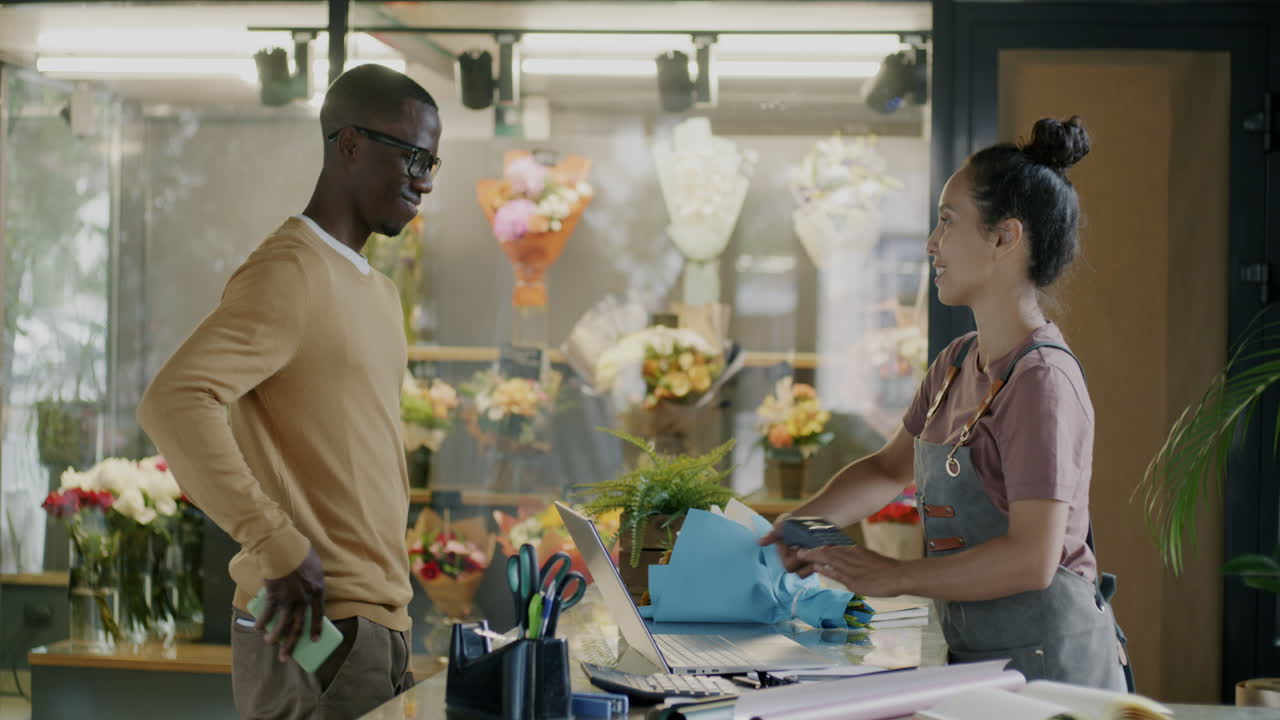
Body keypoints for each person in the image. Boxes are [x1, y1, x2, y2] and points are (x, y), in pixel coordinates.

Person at [761, 116, 1131, 691]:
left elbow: (1033, 558)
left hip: (1055, 676)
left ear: (1005, 237)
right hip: (980, 665)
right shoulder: (957, 362)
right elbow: (888, 469)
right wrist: (803, 524)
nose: (932, 244)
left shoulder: (1041, 382)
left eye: (947, 222)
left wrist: (895, 575)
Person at [136, 64, 442, 719]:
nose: (424, 177)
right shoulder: (290, 271)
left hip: (373, 628)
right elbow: (173, 401)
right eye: (413, 155)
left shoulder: (378, 294)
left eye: (433, 162)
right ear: (350, 144)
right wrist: (275, 541)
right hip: (316, 631)